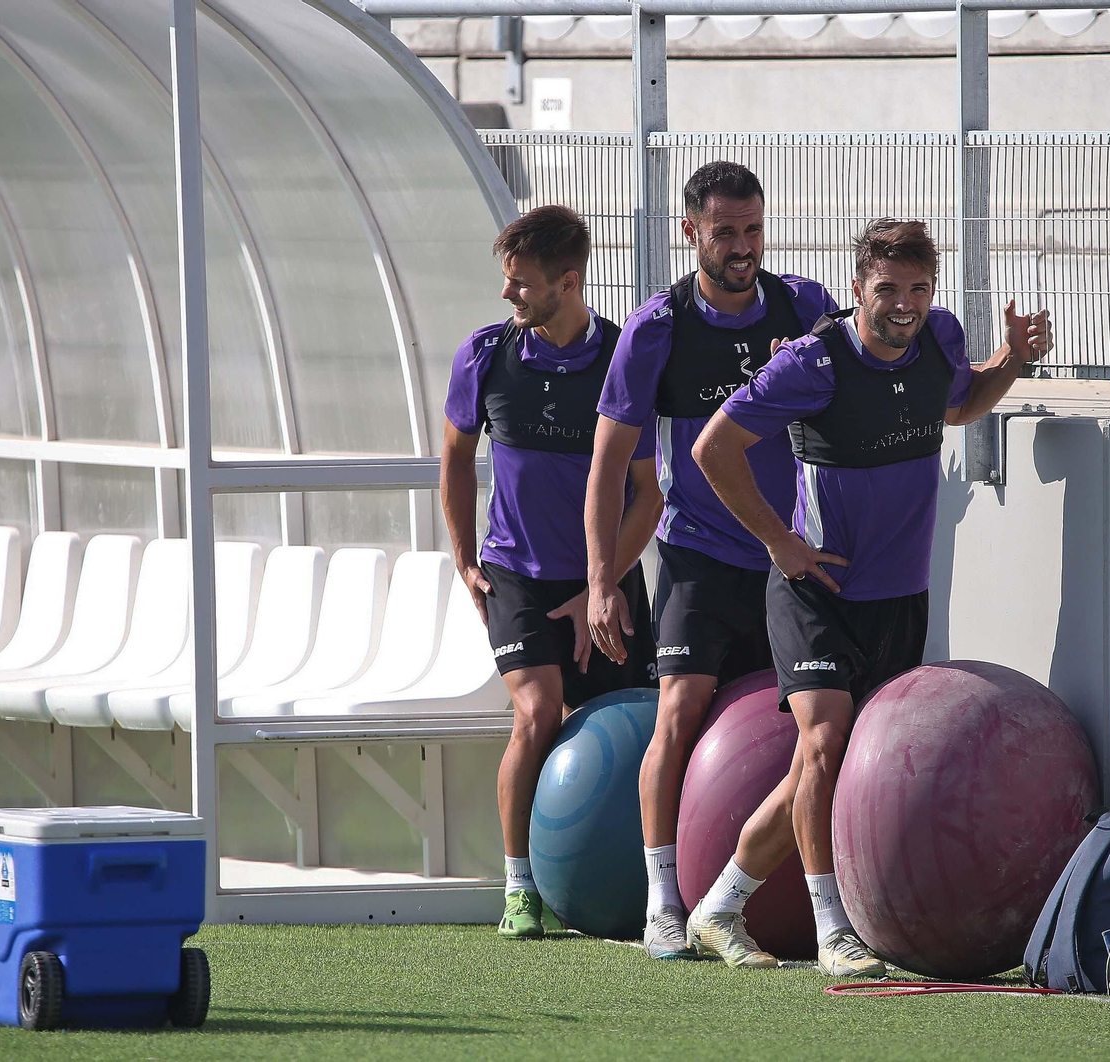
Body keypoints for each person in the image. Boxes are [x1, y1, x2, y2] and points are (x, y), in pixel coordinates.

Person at [687, 218, 1053, 975]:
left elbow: (960, 404)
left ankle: (719, 906)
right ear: (858, 289)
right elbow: (711, 448)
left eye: (918, 288)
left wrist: (1011, 359)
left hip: (899, 598)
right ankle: (834, 933)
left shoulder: (940, 340)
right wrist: (777, 542)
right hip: (814, 590)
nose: (905, 304)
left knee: (816, 771)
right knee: (823, 745)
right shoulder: (812, 364)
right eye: (887, 288)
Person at [584, 162, 838, 960]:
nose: (742, 246)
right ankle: (665, 903)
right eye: (724, 231)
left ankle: (786, 905)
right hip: (697, 557)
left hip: (787, 560)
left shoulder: (805, 307)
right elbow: (606, 465)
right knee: (679, 714)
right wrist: (600, 582)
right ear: (690, 231)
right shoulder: (655, 327)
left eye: (753, 229)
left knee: (812, 731)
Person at [441, 205, 662, 941]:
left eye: (522, 285)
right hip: (519, 578)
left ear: (568, 284)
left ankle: (656, 888)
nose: (509, 296)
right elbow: (454, 462)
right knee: (537, 714)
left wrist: (598, 588)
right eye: (506, 282)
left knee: (643, 725)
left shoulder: (619, 359)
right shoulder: (485, 355)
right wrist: (466, 559)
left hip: (605, 579)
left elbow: (647, 495)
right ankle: (519, 887)